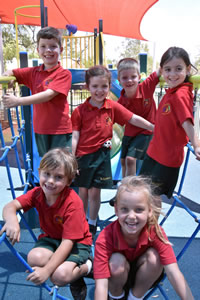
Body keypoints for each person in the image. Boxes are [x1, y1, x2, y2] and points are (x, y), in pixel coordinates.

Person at [71, 65, 155, 238]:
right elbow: (75, 136)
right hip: (83, 157)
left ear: (109, 86)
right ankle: (81, 221)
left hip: (102, 156)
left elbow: (133, 118)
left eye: (104, 86)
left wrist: (153, 127)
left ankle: (92, 223)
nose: (100, 90)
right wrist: (72, 160)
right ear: (88, 87)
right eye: (95, 86)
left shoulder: (112, 107)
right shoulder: (79, 111)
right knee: (83, 191)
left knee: (95, 191)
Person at [0, 148, 92, 300]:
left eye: (58, 177)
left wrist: (47, 271)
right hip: (51, 238)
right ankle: (69, 267)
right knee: (34, 258)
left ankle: (87, 267)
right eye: (47, 174)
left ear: (69, 181)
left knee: (59, 277)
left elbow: (68, 242)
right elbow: (11, 206)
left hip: (77, 242)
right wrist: (12, 221)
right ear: (39, 171)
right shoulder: (37, 193)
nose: (50, 181)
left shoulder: (73, 202)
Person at [93, 176, 194, 300]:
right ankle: (116, 296)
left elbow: (173, 272)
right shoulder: (106, 237)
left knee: (155, 257)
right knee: (116, 261)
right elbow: (101, 285)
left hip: (143, 276)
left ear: (150, 211)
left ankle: (134, 297)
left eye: (139, 210)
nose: (131, 216)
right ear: (116, 210)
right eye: (124, 209)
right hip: (116, 277)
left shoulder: (155, 232)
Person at [139, 47, 200, 198]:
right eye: (168, 69)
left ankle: (152, 222)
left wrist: (197, 145)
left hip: (166, 158)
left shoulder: (180, 94)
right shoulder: (171, 92)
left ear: (187, 70)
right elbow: (143, 91)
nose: (172, 75)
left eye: (178, 69)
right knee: (144, 190)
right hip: (154, 152)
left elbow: (186, 121)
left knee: (153, 195)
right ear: (162, 71)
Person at [2, 26, 72, 157]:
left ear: (60, 49)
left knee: (62, 166)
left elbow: (48, 95)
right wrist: (10, 78)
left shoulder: (64, 74)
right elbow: (12, 72)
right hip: (41, 129)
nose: (48, 50)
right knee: (46, 162)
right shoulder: (33, 72)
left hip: (60, 130)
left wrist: (18, 101)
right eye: (43, 46)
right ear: (38, 50)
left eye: (53, 46)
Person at [117, 58, 159, 177]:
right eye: (125, 78)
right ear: (119, 80)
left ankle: (130, 188)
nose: (129, 80)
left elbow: (159, 71)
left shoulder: (146, 87)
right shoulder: (120, 102)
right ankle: (124, 184)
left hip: (146, 131)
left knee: (131, 159)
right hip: (130, 133)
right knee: (123, 161)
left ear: (139, 77)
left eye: (133, 76)